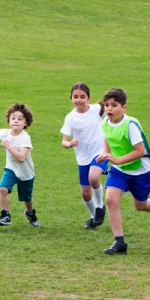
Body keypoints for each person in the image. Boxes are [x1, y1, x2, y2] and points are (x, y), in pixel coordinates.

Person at [96, 88, 150, 255]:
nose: (109, 109)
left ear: (124, 107)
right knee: (111, 199)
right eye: (107, 105)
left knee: (140, 205)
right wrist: (106, 154)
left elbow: (139, 151)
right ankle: (119, 242)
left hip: (140, 171)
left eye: (114, 105)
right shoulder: (105, 121)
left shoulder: (131, 125)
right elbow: (107, 138)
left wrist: (117, 159)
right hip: (119, 170)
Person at [60, 82, 108, 229]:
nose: (78, 100)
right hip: (82, 157)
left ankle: (100, 205)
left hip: (100, 152)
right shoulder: (70, 117)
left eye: (82, 96)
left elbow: (115, 113)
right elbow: (64, 141)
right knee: (85, 193)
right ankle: (95, 218)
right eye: (75, 97)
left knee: (93, 177)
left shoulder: (98, 109)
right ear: (71, 98)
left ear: (88, 97)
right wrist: (69, 144)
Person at [0, 102, 38, 227]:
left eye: (20, 119)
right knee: (3, 188)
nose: (16, 121)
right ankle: (5, 215)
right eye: (13, 118)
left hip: (25, 173)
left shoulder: (25, 138)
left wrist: (9, 147)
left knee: (27, 199)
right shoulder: (5, 133)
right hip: (11, 169)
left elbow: (21, 158)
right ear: (9, 121)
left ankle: (30, 212)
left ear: (26, 123)